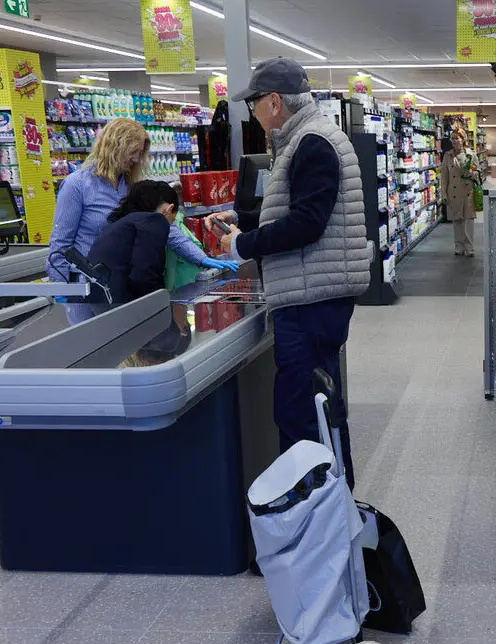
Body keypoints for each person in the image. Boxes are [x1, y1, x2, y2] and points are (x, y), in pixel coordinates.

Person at [208, 58, 367, 489]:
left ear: (275, 101)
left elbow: (307, 224)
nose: (252, 113)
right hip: (314, 292)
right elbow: (298, 207)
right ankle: (332, 512)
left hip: (310, 297)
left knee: (302, 416)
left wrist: (241, 243)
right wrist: (242, 214)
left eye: (254, 103)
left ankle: (314, 522)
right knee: (319, 407)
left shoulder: (311, 142)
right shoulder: (306, 138)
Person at [47, 118, 238, 304]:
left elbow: (163, 226)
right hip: (87, 287)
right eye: (134, 152)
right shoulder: (76, 185)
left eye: (140, 153)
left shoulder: (131, 186)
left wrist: (201, 258)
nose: (138, 159)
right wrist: (62, 286)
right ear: (116, 147)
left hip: (120, 285)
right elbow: (60, 242)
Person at [85, 180, 179, 305]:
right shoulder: (155, 221)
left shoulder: (123, 223)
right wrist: (161, 303)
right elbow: (145, 274)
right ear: (169, 209)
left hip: (100, 299)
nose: (169, 226)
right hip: (121, 303)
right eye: (172, 221)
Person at [443, 129, 483, 256]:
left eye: (458, 138)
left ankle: (469, 247)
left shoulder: (471, 155)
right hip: (453, 191)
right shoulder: (447, 156)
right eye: (453, 138)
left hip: (468, 191)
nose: (455, 141)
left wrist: (472, 174)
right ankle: (458, 246)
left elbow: (479, 172)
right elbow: (444, 176)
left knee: (469, 221)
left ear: (463, 139)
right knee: (457, 221)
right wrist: (443, 193)